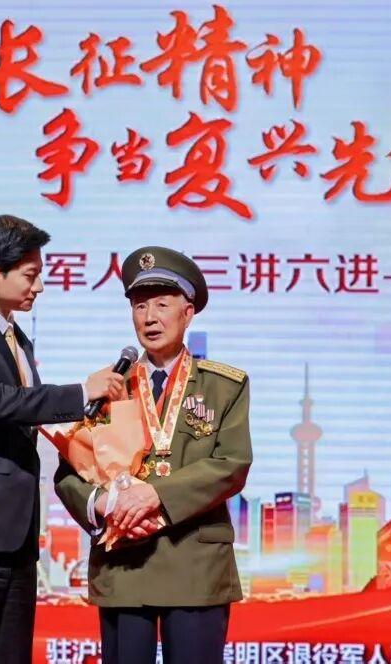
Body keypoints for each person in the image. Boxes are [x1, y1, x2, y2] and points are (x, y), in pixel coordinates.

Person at [0, 214, 124, 664]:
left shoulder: (17, 339)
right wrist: (80, 393)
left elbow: (25, 413)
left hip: (15, 536)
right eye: (30, 276)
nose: (40, 287)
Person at [55, 246, 253, 664]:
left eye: (162, 305)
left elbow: (232, 465)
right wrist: (103, 502)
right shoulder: (107, 387)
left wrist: (156, 495)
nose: (149, 317)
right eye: (140, 306)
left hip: (195, 563)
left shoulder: (223, 386)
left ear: (188, 312)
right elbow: (69, 471)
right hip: (125, 562)